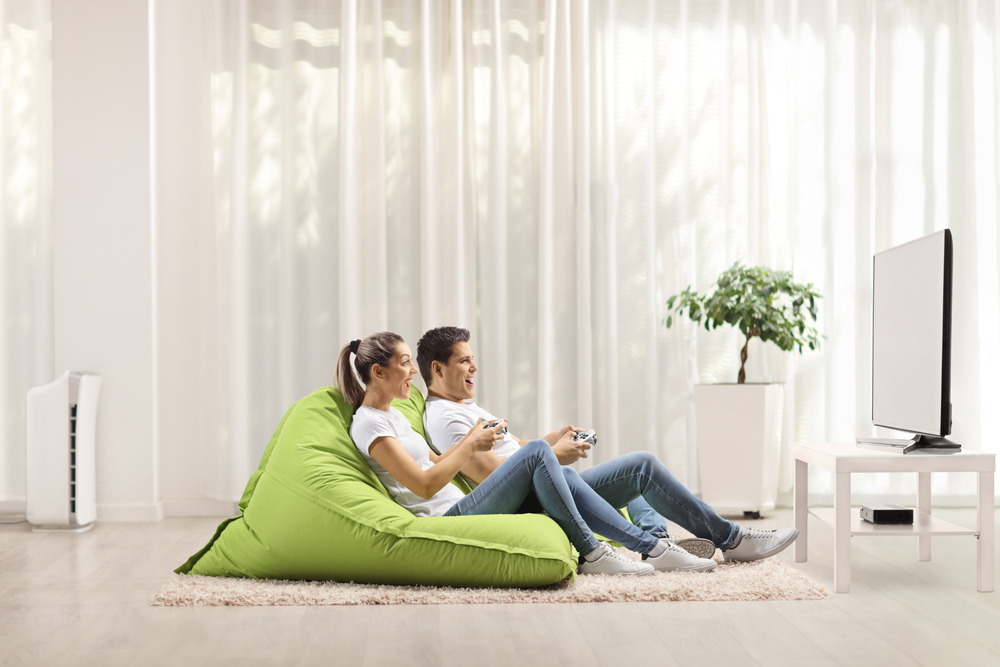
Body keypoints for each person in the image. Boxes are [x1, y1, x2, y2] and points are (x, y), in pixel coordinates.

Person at [339, 331, 718, 577]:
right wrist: (471, 444)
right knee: (542, 454)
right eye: (404, 363)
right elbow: (423, 486)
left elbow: (435, 463)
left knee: (564, 463)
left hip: (460, 505)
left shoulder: (393, 416)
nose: (411, 372)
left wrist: (474, 438)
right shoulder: (369, 425)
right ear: (379, 372)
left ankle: (648, 546)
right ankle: (605, 550)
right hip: (446, 519)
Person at [416, 326, 799, 566]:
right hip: (534, 497)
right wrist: (552, 457)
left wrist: (555, 438)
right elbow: (495, 479)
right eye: (465, 361)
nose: (474, 368)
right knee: (630, 468)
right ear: (437, 368)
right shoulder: (446, 418)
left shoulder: (466, 407)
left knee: (641, 468)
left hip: (544, 480)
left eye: (473, 360)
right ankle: (720, 540)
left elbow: (518, 447)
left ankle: (675, 541)